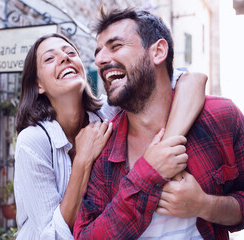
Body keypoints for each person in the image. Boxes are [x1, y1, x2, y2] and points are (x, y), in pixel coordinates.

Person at [14, 33, 207, 239]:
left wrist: (164, 151)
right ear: (39, 85)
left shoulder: (109, 112)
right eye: (50, 58)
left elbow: (192, 81)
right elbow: (51, 235)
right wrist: (82, 160)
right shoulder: (32, 141)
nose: (65, 58)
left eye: (71, 52)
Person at [73, 7, 244, 240]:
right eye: (99, 51)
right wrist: (146, 175)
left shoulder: (222, 117)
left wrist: (205, 205)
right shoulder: (103, 147)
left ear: (158, 51)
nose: (100, 59)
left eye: (116, 46)